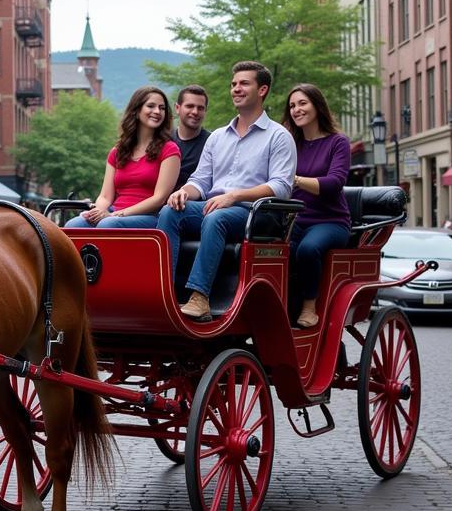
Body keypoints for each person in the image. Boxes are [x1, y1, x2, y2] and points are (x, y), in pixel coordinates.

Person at [157, 61, 297, 322]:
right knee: (170, 212)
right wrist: (184, 192)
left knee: (216, 218)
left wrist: (235, 196)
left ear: (262, 89)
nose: (236, 89)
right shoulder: (218, 137)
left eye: (244, 83)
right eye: (234, 84)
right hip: (216, 206)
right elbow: (201, 180)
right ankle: (167, 292)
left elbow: (281, 187)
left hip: (257, 214)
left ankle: (200, 298)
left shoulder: (279, 136)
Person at [282, 84, 351, 329]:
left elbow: (334, 183)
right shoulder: (290, 143)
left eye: (302, 103)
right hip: (296, 220)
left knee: (308, 249)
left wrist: (296, 179)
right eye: (292, 106)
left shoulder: (337, 142)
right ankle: (281, 309)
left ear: (317, 105)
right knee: (268, 251)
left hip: (330, 221)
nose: (296, 109)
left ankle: (310, 306)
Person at [66, 86, 180, 229]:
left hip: (149, 217)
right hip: (115, 213)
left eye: (162, 108)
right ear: (137, 111)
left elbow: (159, 199)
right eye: (151, 106)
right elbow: (105, 196)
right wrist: (97, 212)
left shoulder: (169, 149)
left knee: (108, 225)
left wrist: (117, 214)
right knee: (74, 225)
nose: (157, 111)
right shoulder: (117, 151)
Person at [171, 85, 211, 190]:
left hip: (193, 202)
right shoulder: (163, 140)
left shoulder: (212, 143)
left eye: (200, 108)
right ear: (177, 108)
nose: (195, 112)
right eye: (189, 106)